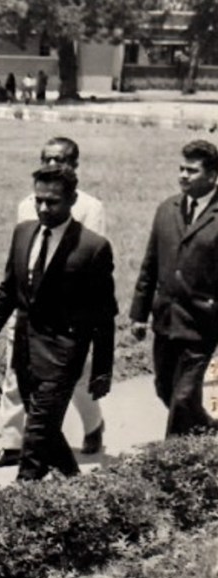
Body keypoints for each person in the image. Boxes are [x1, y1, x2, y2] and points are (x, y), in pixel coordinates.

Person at [0, 165, 117, 482]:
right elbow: (8, 290)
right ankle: (73, 480)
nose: (43, 208)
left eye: (52, 202)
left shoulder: (92, 248)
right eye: (38, 200)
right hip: (24, 349)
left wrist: (103, 368)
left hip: (64, 354)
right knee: (45, 424)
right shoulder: (23, 233)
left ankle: (23, 497)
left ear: (72, 200)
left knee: (36, 431)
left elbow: (104, 315)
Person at [130, 140, 218, 438]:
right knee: (165, 389)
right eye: (181, 168)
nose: (183, 175)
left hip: (203, 324)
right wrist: (139, 314)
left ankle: (171, 462)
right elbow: (150, 263)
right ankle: (206, 432)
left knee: (182, 399)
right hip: (166, 319)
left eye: (191, 170)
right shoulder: (166, 209)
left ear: (212, 175)